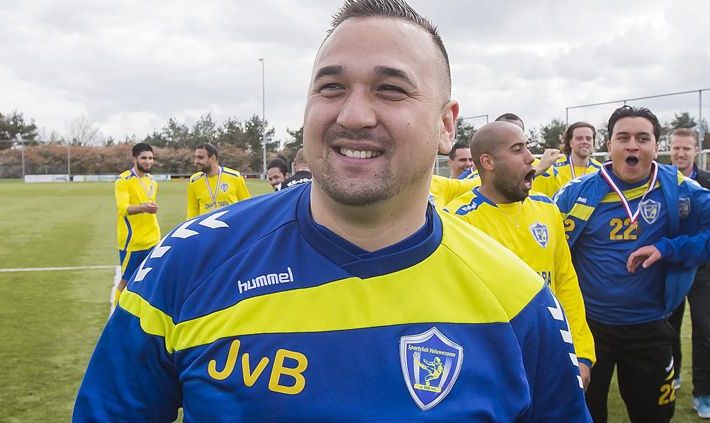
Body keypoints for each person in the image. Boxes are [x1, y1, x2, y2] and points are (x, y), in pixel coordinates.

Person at [74, 1, 590, 421]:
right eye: (331, 86)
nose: (354, 114)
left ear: (446, 125)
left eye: (390, 89)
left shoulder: (519, 299)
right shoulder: (188, 265)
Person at [554, 105, 710, 423]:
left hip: (649, 328)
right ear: (609, 145)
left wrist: (669, 248)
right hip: (589, 330)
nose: (632, 146)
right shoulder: (576, 193)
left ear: (656, 145)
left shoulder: (680, 190)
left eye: (643, 138)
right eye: (623, 137)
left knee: (654, 415)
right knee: (585, 415)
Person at [445, 121, 596, 390]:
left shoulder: (546, 209)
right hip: (492, 365)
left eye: (528, 147)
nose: (531, 158)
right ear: (488, 163)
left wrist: (582, 352)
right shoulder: (457, 221)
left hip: (552, 355)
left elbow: (565, 283)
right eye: (518, 150)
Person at [665, 128, 710, 418]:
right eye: (676, 148)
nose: (681, 153)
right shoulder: (660, 180)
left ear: (697, 150)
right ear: (670, 149)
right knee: (667, 328)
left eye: (687, 149)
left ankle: (703, 393)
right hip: (668, 268)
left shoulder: (706, 183)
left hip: (703, 269)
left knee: (705, 330)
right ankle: (673, 375)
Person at [113, 143, 160, 305]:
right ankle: (115, 312)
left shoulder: (153, 181)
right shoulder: (123, 180)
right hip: (132, 241)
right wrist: (144, 208)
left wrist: (149, 208)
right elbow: (123, 209)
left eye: (151, 158)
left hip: (153, 239)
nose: (148, 162)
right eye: (144, 158)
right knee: (126, 280)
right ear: (134, 159)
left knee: (150, 278)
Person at [186, 143, 251, 219]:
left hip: (231, 228)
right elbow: (192, 210)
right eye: (196, 157)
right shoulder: (194, 181)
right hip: (207, 229)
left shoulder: (234, 177)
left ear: (212, 158)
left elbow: (247, 205)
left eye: (200, 157)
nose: (196, 161)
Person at [554, 121, 602, 186]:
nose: (585, 141)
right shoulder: (554, 169)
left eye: (588, 138)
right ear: (570, 143)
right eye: (579, 138)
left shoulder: (601, 171)